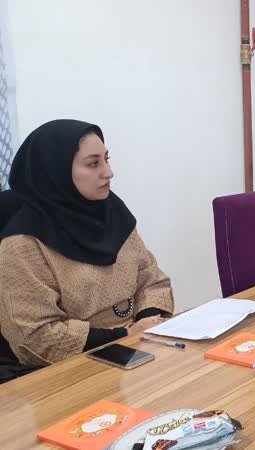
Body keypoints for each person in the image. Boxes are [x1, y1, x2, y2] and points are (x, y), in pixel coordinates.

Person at [0, 120, 174, 378]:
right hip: (69, 372)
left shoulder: (112, 214)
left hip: (139, 349)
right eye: (93, 164)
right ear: (55, 171)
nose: (109, 172)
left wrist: (149, 322)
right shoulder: (22, 245)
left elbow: (151, 278)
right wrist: (125, 334)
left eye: (106, 159)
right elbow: (36, 336)